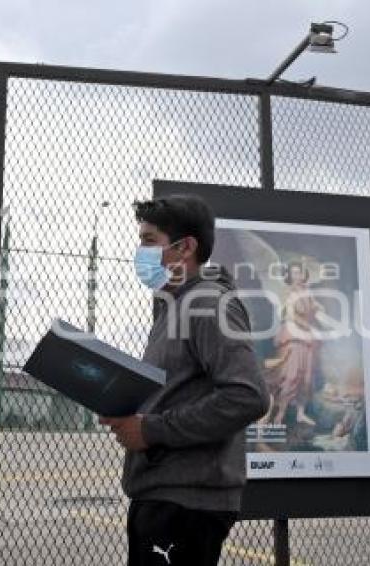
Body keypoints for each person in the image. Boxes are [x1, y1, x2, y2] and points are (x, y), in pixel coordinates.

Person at [99, 194, 269, 566]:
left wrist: (151, 430)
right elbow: (179, 392)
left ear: (185, 247)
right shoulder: (172, 305)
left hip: (186, 503)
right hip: (164, 497)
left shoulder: (209, 303)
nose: (139, 252)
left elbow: (249, 396)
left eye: (148, 241)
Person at [264, 261, 322, 427]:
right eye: (294, 273)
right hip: (294, 334)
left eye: (300, 272)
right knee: (292, 375)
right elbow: (291, 316)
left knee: (307, 376)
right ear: (289, 276)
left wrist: (317, 308)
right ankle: (280, 415)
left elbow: (314, 309)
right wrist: (308, 326)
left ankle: (300, 413)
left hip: (308, 336)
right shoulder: (289, 293)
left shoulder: (308, 292)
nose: (298, 276)